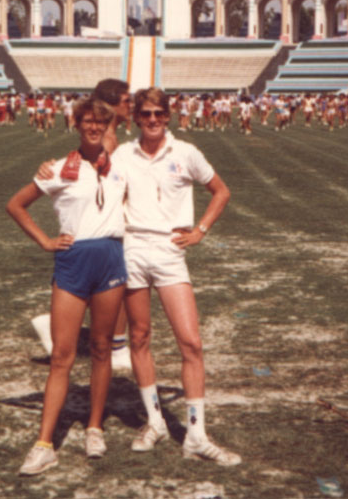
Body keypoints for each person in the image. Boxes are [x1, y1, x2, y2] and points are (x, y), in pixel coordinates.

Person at [117, 87, 240, 466]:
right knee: (139, 337)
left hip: (171, 252)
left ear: (168, 116)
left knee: (191, 343)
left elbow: (220, 191)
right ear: (136, 118)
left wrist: (200, 230)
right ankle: (154, 422)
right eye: (146, 114)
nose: (153, 120)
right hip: (132, 248)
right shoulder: (123, 154)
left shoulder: (185, 152)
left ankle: (196, 435)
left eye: (159, 113)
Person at [6, 97, 128, 476]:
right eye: (87, 122)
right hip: (73, 261)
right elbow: (16, 204)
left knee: (102, 348)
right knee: (62, 355)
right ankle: (44, 444)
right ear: (77, 125)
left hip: (110, 258)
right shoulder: (59, 168)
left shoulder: (121, 164)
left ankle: (95, 427)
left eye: (101, 123)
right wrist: (45, 241)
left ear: (110, 128)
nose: (94, 128)